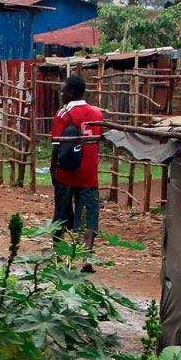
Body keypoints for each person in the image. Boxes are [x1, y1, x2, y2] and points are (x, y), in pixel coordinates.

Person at [51, 73, 103, 249]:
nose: (60, 95)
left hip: (67, 173)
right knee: (89, 214)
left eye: (62, 91)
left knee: (61, 213)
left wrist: (53, 168)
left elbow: (57, 144)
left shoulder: (63, 114)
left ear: (71, 93)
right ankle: (86, 254)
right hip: (88, 173)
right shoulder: (97, 114)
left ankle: (58, 253)